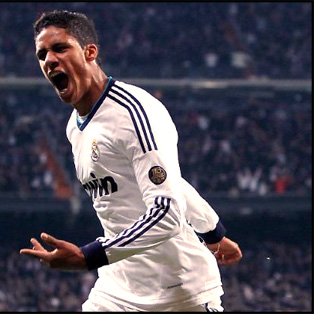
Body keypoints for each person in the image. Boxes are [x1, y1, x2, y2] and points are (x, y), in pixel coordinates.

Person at [20, 10, 242, 312]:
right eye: (42, 54)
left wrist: (88, 256)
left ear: (90, 52)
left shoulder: (135, 113)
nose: (49, 60)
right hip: (118, 287)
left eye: (60, 48)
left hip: (177, 289)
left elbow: (166, 212)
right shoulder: (75, 126)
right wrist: (212, 232)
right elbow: (166, 180)